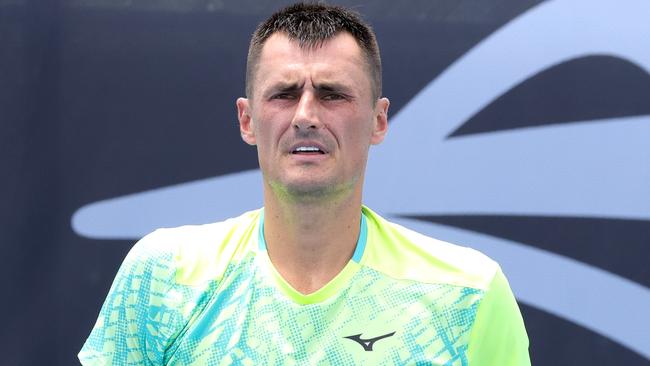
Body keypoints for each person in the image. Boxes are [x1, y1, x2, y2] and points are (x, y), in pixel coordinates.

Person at [79, 2, 530, 365]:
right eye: (284, 93)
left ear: (378, 120)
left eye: (333, 94)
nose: (307, 116)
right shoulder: (163, 276)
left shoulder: (467, 291)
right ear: (247, 119)